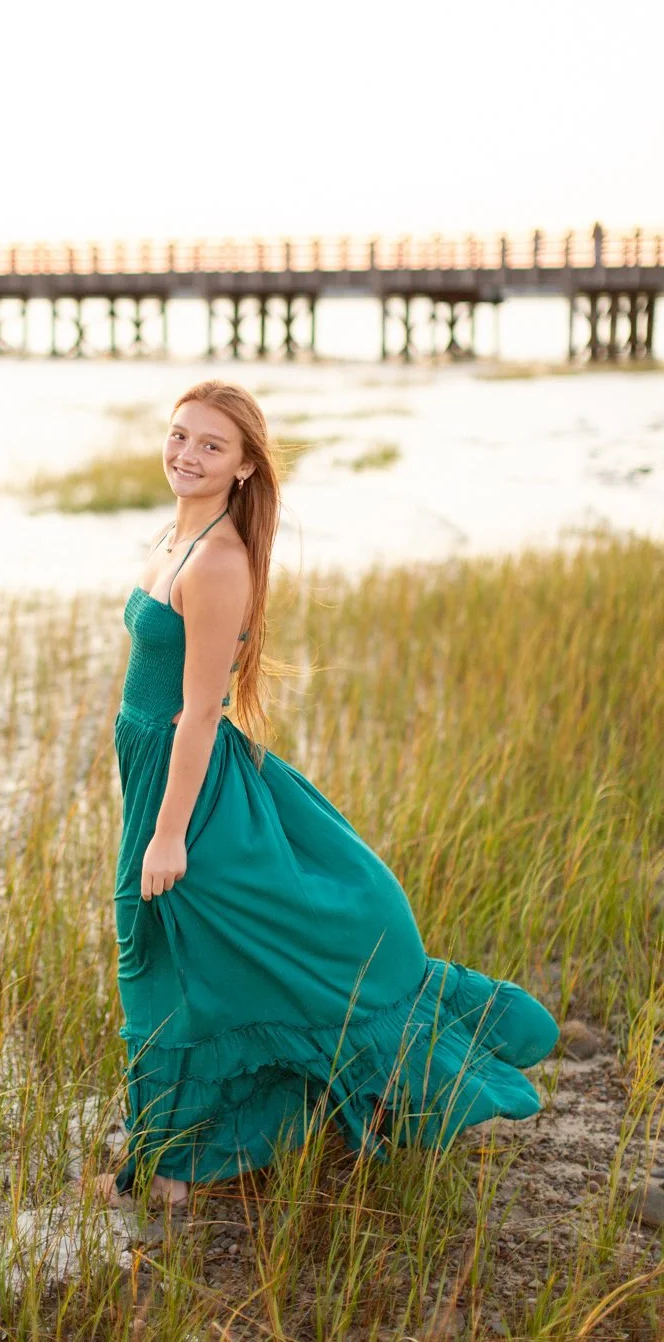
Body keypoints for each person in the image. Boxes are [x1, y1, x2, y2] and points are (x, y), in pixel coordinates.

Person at [83, 379, 559, 1211]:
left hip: (189, 787)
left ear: (242, 467)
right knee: (169, 956)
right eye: (180, 435)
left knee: (156, 953)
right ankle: (173, 1144)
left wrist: (169, 834)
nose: (187, 455)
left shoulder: (220, 558)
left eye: (211, 446)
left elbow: (200, 710)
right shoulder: (175, 536)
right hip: (156, 768)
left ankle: (170, 1167)